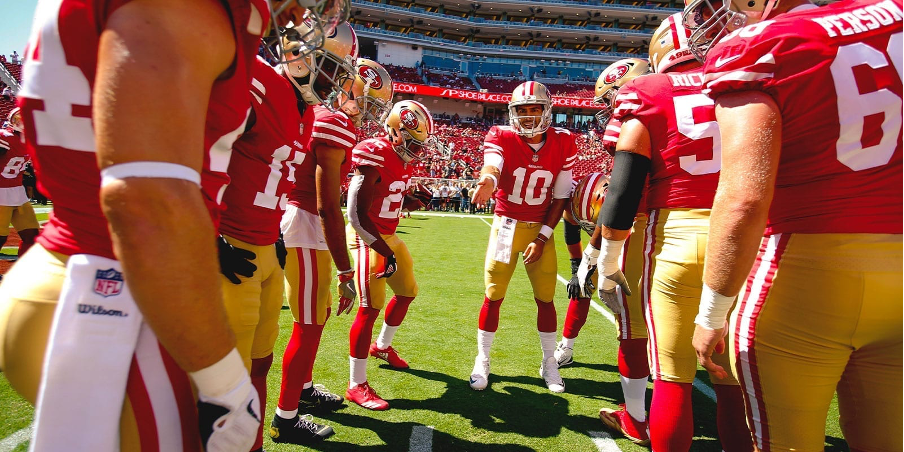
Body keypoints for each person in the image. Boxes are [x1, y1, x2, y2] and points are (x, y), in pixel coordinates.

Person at [0, 1, 348, 450]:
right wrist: (223, 383)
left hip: (92, 274)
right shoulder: (189, 11)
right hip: (118, 291)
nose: (303, 13)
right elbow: (145, 199)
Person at [682, 0, 903, 450]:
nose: (708, 19)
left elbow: (745, 197)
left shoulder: (760, 46)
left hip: (804, 275)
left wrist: (711, 314)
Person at [218, 20, 361, 449]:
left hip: (265, 243)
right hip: (231, 244)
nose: (336, 82)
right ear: (301, 55)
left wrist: (274, 231)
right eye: (331, 68)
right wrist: (207, 233)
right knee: (219, 376)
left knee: (259, 366)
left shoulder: (306, 112)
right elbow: (195, 147)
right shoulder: (257, 81)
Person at [273, 56, 396, 437]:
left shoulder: (325, 118)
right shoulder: (333, 122)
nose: (364, 110)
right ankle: (286, 418)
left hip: (306, 222)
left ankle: (304, 390)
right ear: (346, 88)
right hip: (306, 223)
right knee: (308, 324)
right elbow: (327, 205)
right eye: (363, 98)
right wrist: (346, 270)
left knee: (317, 316)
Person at [557, 61, 653, 446]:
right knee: (583, 289)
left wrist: (595, 259)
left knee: (630, 319)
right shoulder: (575, 206)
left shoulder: (607, 191)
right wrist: (579, 265)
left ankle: (637, 414)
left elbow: (617, 208)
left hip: (640, 226)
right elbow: (571, 231)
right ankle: (567, 345)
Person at [469, 81, 576, 394]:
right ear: (512, 113)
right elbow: (494, 164)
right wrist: (488, 180)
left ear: (546, 110)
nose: (528, 116)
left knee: (545, 297)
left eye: (534, 109)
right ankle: (483, 358)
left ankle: (549, 361)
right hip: (506, 226)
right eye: (522, 110)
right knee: (493, 293)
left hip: (538, 228)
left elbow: (560, 196)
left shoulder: (564, 141)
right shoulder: (500, 135)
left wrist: (542, 238)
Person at [345, 100, 435, 410]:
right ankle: (356, 384)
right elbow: (356, 216)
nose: (417, 149)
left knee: (408, 292)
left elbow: (387, 201)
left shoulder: (400, 158)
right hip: (367, 238)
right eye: (412, 141)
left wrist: (412, 201)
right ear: (394, 132)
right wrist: (384, 252)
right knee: (370, 307)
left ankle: (382, 346)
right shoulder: (374, 153)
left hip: (387, 235)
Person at [0, 108, 39, 257]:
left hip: (18, 192)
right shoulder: (6, 137)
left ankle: (25, 273)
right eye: (18, 118)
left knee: (32, 237)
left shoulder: (29, 141)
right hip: (1, 192)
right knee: (1, 237)